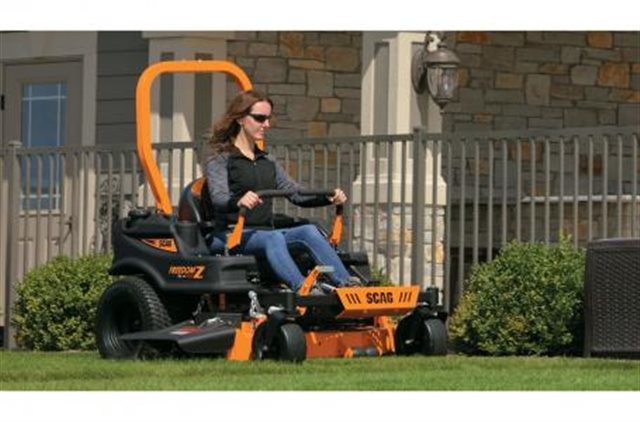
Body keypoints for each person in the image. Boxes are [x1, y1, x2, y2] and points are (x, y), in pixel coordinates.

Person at [204, 90, 357, 293]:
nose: (266, 125)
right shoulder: (221, 158)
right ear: (240, 119)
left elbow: (295, 193)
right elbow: (219, 198)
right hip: (230, 234)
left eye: (268, 119)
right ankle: (304, 289)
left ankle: (347, 285)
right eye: (260, 118)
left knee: (308, 231)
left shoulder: (267, 160)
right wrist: (239, 200)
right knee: (273, 237)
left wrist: (328, 198)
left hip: (264, 233)